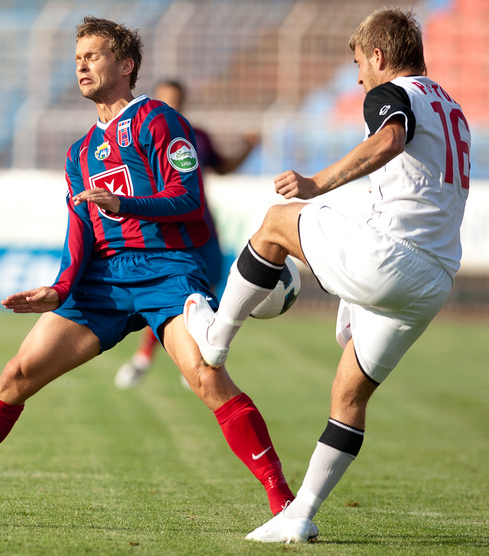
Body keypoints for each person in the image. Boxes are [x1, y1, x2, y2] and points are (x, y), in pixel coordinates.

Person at [0, 15, 295, 524]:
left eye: (92, 56)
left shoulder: (159, 120)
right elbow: (80, 231)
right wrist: (60, 289)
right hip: (104, 281)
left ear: (126, 65)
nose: (81, 65)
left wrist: (124, 204)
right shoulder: (79, 152)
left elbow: (187, 199)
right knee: (16, 374)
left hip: (167, 272)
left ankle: (285, 504)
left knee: (208, 379)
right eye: (77, 58)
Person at [184, 7, 470, 543]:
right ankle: (300, 516)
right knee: (349, 396)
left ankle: (216, 338)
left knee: (276, 223)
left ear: (379, 56)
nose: (358, 77)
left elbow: (388, 141)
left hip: (392, 259)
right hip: (433, 281)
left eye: (359, 63)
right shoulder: (449, 106)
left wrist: (316, 184)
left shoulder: (392, 93)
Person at [114, 79, 259, 390]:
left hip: (202, 226)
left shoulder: (196, 135)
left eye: (176, 100)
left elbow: (223, 167)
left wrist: (247, 148)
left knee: (209, 293)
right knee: (166, 297)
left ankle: (198, 357)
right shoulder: (140, 136)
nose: (172, 105)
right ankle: (143, 358)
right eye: (165, 99)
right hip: (164, 230)